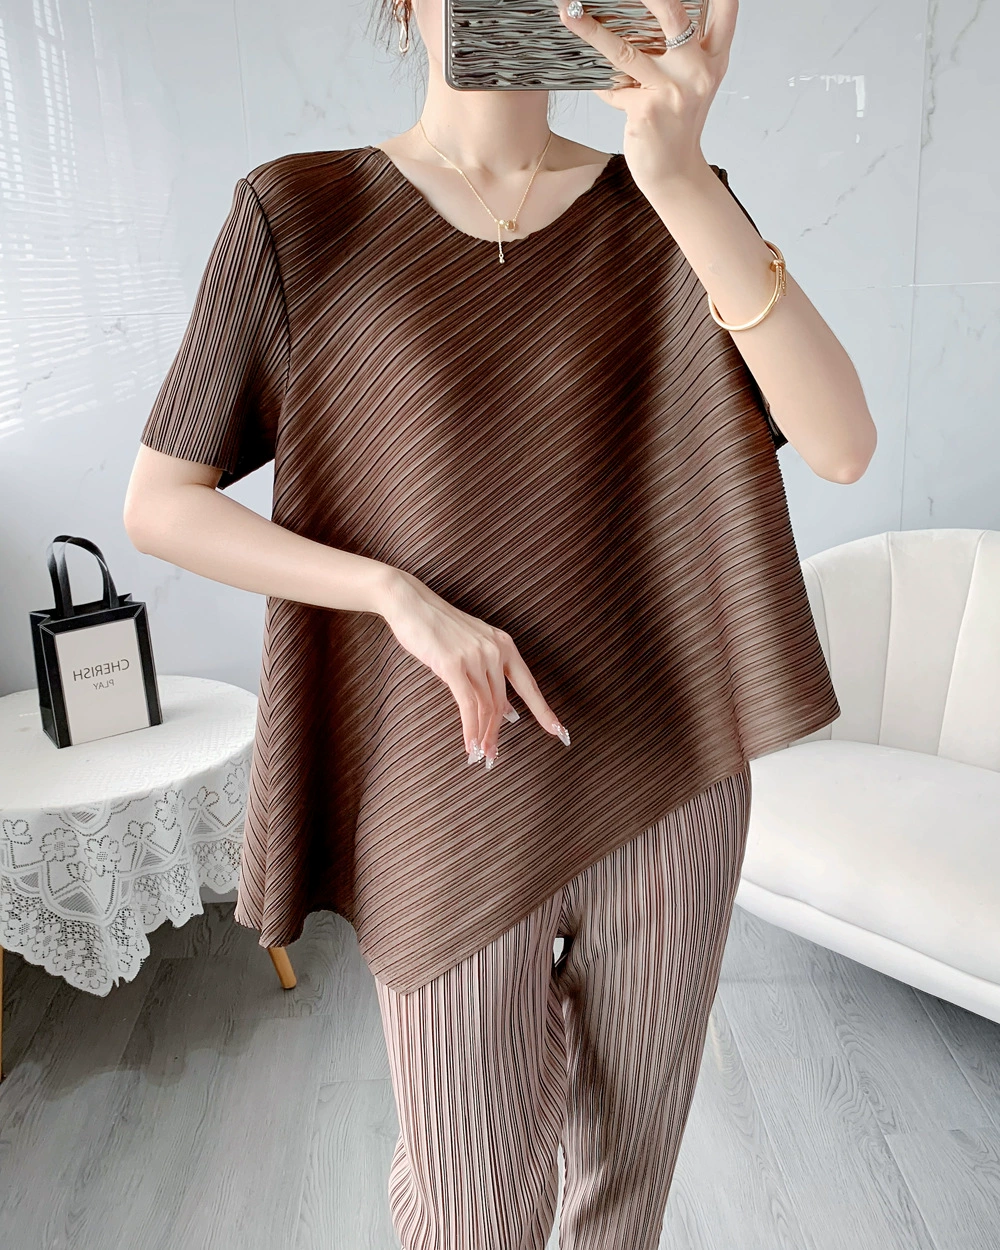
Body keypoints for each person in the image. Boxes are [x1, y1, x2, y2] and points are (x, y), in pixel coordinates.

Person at [124, 0, 876, 1245]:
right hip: (441, 787)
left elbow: (841, 442)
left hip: (666, 780)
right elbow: (161, 503)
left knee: (622, 1202)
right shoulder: (299, 214)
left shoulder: (666, 200)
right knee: (469, 1209)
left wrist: (680, 177)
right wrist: (393, 594)